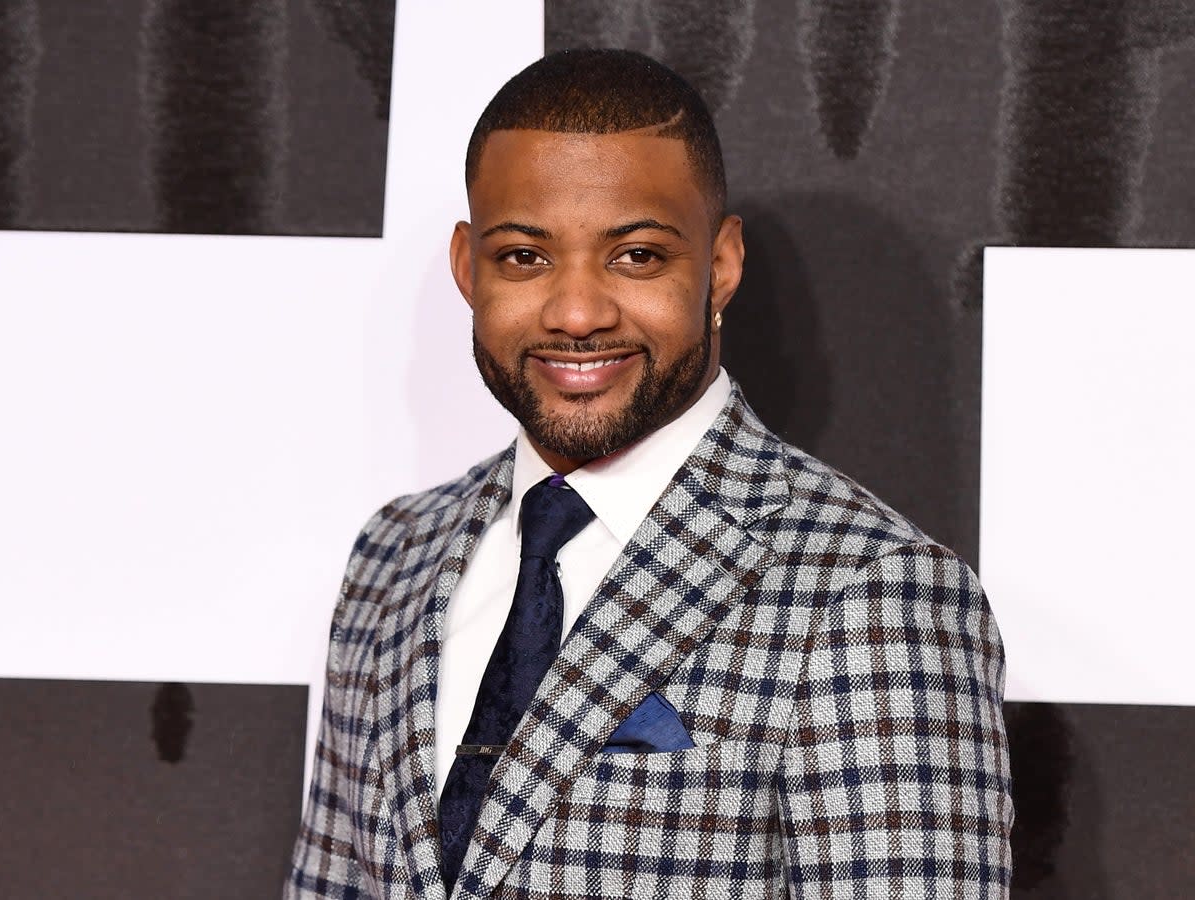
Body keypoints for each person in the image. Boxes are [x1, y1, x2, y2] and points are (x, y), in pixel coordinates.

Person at [286, 48, 1012, 899]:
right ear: (466, 267)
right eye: (524, 256)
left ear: (722, 264)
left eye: (636, 256)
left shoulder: (874, 594)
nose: (578, 313)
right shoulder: (394, 555)